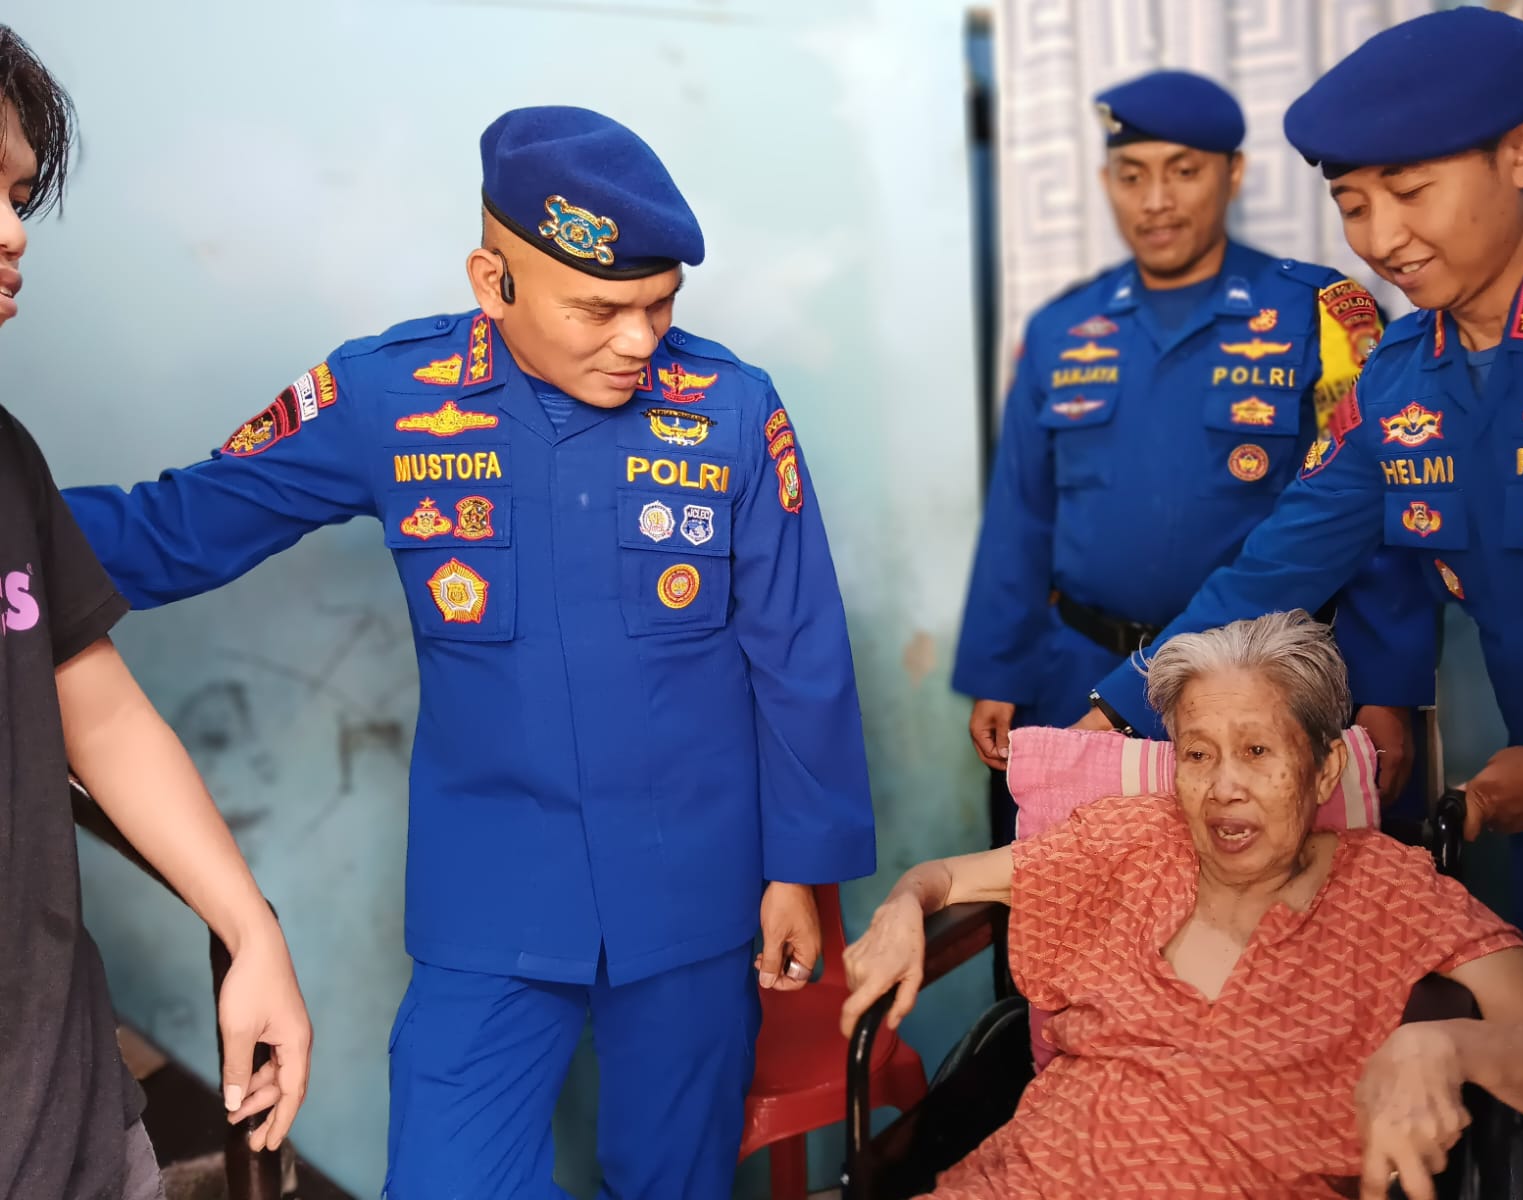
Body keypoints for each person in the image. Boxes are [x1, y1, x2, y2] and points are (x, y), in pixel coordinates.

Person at [63, 105, 876, 1197]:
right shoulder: (390, 396)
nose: (640, 341)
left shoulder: (732, 410)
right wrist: (17, 532)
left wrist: (794, 871)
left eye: (661, 304)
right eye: (600, 310)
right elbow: (180, 525)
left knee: (674, 1178)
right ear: (493, 282)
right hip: (491, 891)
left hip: (691, 887)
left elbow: (799, 647)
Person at [1070, 9, 1523, 1193]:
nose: (1381, 238)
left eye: (1409, 192)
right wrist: (1111, 713)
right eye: (1354, 205)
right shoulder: (1404, 378)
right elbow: (1276, 565)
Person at [843, 612, 1523, 1200]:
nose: (1223, 787)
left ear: (1324, 768)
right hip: (1027, 1177)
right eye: (1199, 755)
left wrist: (1444, 1048)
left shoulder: (1390, 891)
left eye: (1258, 752)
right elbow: (943, 880)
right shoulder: (1133, 840)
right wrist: (904, 905)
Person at [0, 26, 311, 1200]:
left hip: (68, 1104)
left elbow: (104, 717)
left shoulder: (11, 466)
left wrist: (250, 928)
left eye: (18, 196)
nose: (14, 233)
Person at [953, 69, 1431, 821]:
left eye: (1183, 171)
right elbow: (1022, 513)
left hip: (1262, 683)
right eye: (1132, 175)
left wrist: (1388, 688)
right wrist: (998, 670)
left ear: (1233, 174)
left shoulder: (1321, 314)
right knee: (1075, 887)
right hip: (1081, 674)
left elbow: (1376, 514)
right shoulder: (1061, 330)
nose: (1155, 201)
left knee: (1262, 889)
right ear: (1106, 183)